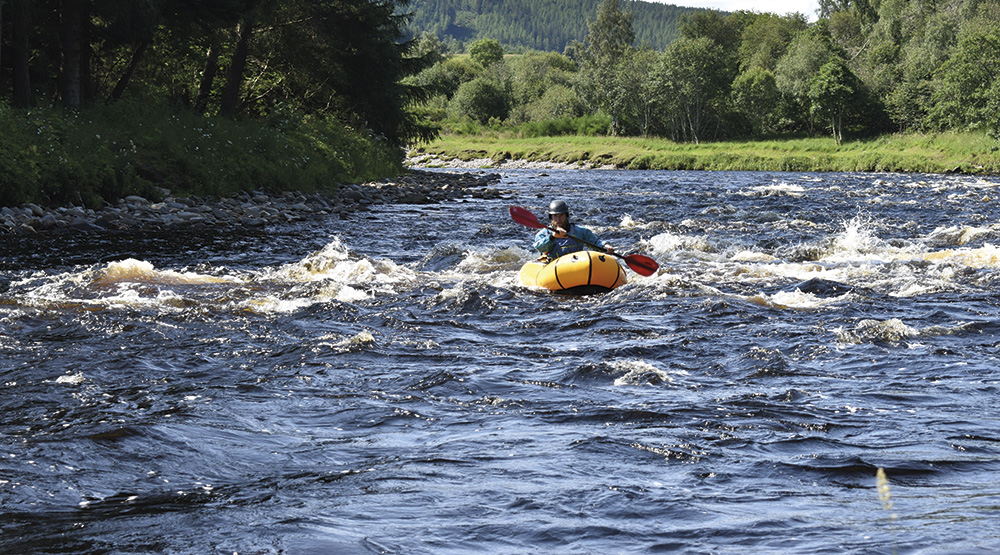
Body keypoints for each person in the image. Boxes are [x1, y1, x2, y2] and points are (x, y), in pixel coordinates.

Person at [532, 200, 614, 259]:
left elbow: (595, 242)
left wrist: (605, 246)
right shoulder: (544, 233)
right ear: (551, 217)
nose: (558, 219)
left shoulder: (580, 231)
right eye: (555, 216)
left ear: (566, 216)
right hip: (553, 266)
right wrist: (552, 237)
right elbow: (539, 247)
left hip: (576, 263)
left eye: (561, 216)